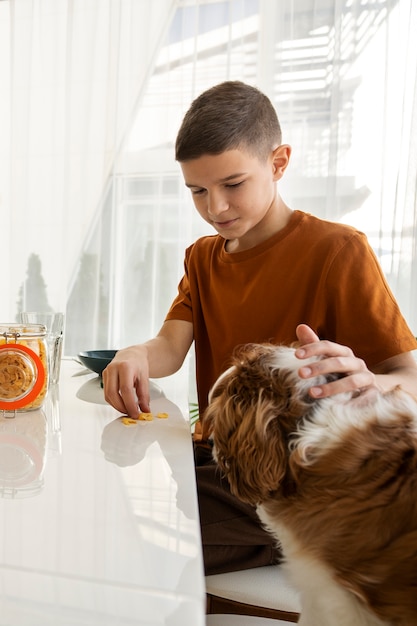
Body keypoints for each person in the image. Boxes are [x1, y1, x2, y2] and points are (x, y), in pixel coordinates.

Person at [103, 80, 417, 575]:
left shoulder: (339, 251)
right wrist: (137, 355)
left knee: (143, 551)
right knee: (116, 496)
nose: (215, 208)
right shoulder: (203, 257)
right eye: (198, 191)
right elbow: (170, 342)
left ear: (278, 162)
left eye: (233, 185)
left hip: (296, 480)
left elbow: (411, 379)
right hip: (218, 466)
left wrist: (372, 381)